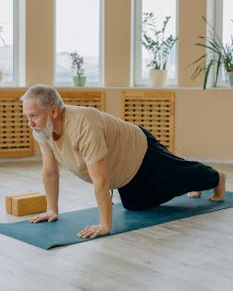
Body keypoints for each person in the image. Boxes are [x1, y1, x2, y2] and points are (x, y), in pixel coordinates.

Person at [21, 84, 226, 239]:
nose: (29, 123)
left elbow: (100, 179)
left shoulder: (83, 124)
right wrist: (51, 210)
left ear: (54, 111)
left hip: (142, 152)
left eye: (33, 116)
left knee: (179, 176)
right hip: (125, 175)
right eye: (27, 116)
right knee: (135, 206)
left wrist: (104, 225)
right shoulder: (43, 130)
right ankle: (193, 182)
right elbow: (49, 171)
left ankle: (216, 178)